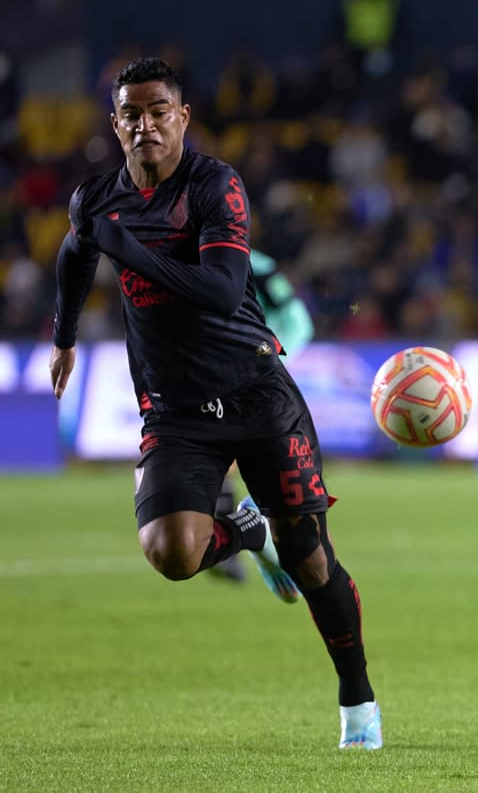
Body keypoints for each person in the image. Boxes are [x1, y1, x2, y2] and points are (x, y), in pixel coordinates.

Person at [49, 57, 381, 750]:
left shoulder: (214, 185)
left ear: (183, 117)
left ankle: (358, 701)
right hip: (174, 405)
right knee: (170, 552)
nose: (145, 124)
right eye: (131, 114)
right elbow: (76, 255)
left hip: (257, 390)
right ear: (116, 124)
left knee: (312, 558)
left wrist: (128, 250)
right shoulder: (98, 199)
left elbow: (223, 290)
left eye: (158, 110)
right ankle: (248, 534)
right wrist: (65, 335)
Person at [209, 248, 316, 583]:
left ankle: (259, 534)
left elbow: (298, 319)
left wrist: (271, 356)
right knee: (223, 452)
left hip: (254, 367)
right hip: (211, 366)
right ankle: (254, 533)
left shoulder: (257, 265)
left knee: (236, 452)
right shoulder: (180, 253)